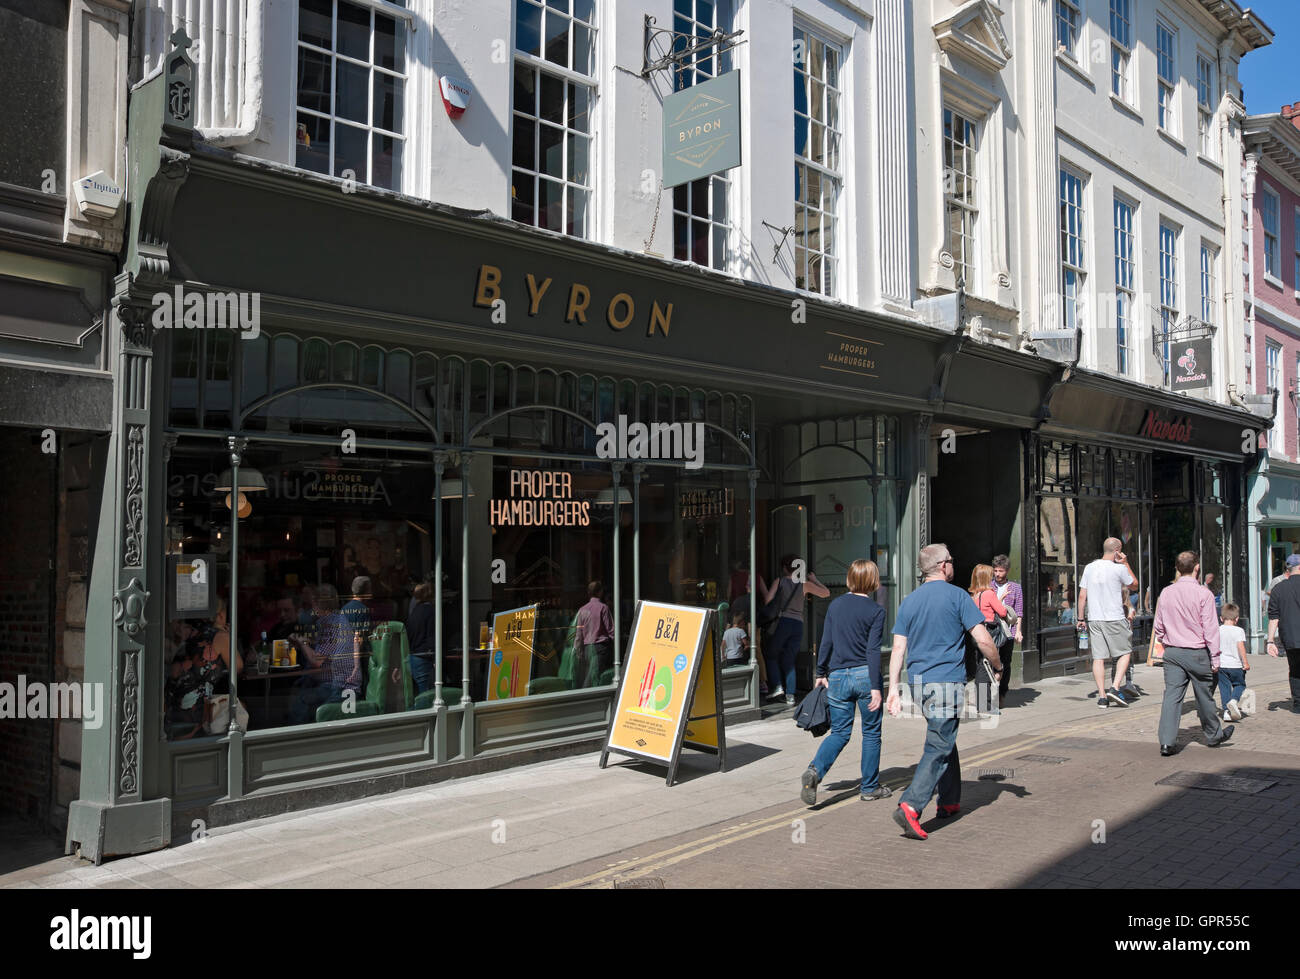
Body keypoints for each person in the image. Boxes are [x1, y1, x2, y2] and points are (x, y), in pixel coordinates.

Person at [887, 544, 1000, 840]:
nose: (954, 564)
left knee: (943, 735)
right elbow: (983, 639)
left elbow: (899, 648)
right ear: (941, 565)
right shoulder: (958, 596)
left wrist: (893, 688)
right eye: (951, 560)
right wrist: (998, 665)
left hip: (918, 683)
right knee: (938, 744)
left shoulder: (908, 601)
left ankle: (949, 800)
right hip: (945, 682)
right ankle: (911, 805)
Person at [800, 560, 891, 806]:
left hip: (837, 676)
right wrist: (876, 686)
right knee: (871, 733)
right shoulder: (876, 611)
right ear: (872, 581)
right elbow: (873, 650)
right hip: (864, 675)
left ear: (850, 579)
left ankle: (815, 770)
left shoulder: (835, 605)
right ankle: (870, 788)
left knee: (840, 732)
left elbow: (826, 641)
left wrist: (821, 672)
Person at [1154, 551, 1231, 755]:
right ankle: (1214, 735)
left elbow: (1158, 627)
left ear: (1178, 568)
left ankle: (1166, 742)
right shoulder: (1203, 594)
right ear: (1197, 567)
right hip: (1197, 652)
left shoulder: (1166, 592)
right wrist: (1215, 657)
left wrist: (1168, 640)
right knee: (1204, 696)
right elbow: (1211, 629)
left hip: (1173, 653)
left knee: (1172, 697)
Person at [289, 584, 362, 724]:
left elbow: (317, 661)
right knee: (300, 689)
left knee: (300, 700)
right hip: (333, 683)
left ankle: (296, 739)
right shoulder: (334, 620)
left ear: (316, 604)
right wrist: (306, 642)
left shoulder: (332, 625)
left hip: (339, 687)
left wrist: (303, 642)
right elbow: (325, 649)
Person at [762, 554, 830, 706]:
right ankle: (791, 695)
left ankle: (778, 686)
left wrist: (761, 587)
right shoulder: (804, 584)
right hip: (798, 624)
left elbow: (768, 600)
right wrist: (814, 579)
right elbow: (826, 593)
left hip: (783, 622)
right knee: (789, 659)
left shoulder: (779, 581)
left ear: (785, 568)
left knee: (771, 654)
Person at [1077, 537, 1136, 708]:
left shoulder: (1089, 567)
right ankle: (1115, 687)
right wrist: (1126, 563)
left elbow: (1082, 596)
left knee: (1099, 657)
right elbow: (1134, 585)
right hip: (1114, 617)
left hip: (1094, 618)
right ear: (1118, 550)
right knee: (1126, 651)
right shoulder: (1118, 569)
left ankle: (1102, 697)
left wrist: (1081, 618)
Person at [968, 564, 1008, 715]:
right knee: (987, 668)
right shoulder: (989, 594)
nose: (993, 577)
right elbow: (1002, 611)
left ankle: (982, 703)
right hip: (989, 632)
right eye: (991, 575)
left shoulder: (974, 596)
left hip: (976, 632)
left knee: (981, 667)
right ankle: (985, 706)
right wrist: (1000, 600)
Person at [1266, 553, 1300, 712]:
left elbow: (1273, 618)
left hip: (1290, 638)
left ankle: (1298, 704)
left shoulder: (1278, 589)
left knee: (1294, 669)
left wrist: (1270, 641)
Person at [991, 555, 1023, 702]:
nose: (998, 574)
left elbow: (1019, 611)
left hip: (1008, 631)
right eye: (996, 570)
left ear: (1007, 571)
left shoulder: (1015, 588)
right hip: (991, 630)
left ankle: (1002, 693)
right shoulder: (989, 586)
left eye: (1001, 571)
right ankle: (989, 695)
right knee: (989, 662)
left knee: (1006, 662)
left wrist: (1018, 631)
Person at [574, 580, 614, 688]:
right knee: (594, 678)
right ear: (600, 592)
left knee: (593, 676)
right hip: (600, 648)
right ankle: (583, 697)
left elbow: (578, 634)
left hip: (587, 649)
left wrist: (578, 651)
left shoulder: (582, 610)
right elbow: (611, 630)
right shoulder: (603, 608)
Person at [1217, 603, 1249, 722]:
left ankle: (1226, 712)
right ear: (1236, 619)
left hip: (1221, 665)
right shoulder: (1239, 631)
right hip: (1235, 665)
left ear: (1221, 618)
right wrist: (1245, 662)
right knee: (1240, 685)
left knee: (1224, 688)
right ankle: (1234, 701)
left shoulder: (1217, 630)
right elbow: (1241, 647)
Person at [407, 581, 436, 694]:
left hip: (413, 656)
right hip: (424, 657)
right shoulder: (430, 611)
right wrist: (435, 659)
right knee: (427, 695)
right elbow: (431, 636)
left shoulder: (414, 611)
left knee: (417, 694)